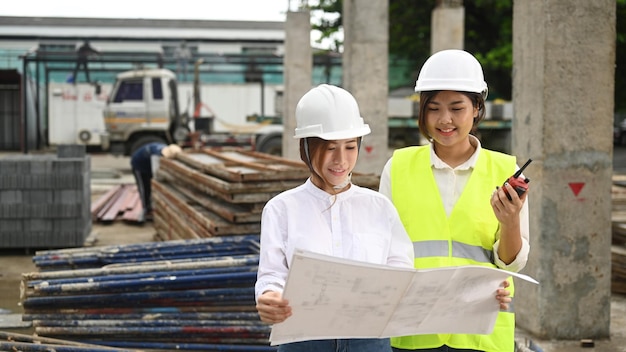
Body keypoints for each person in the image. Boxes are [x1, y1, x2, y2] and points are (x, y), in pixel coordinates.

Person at [379, 49, 530, 352]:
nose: (444, 120)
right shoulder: (398, 167)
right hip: (413, 331)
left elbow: (512, 263)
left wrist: (510, 220)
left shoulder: (504, 171)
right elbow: (381, 249)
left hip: (479, 332)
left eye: (457, 108)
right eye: (433, 108)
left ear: (476, 108)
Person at [254, 84, 416, 352]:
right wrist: (270, 297)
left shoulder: (379, 208)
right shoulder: (281, 209)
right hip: (303, 340)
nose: (341, 160)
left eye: (350, 147)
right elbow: (272, 275)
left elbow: (400, 270)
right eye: (329, 148)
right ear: (304, 148)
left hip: (369, 340)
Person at [130, 142, 182, 222]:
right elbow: (156, 175)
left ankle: (150, 208)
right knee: (144, 188)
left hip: (147, 165)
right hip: (139, 165)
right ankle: (145, 210)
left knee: (150, 187)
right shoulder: (156, 155)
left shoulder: (164, 148)